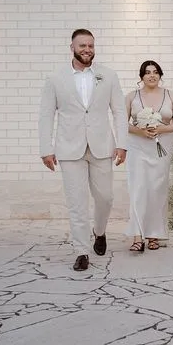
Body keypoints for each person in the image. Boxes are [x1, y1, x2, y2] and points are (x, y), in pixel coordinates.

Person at [38, 28, 128, 271]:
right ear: (72, 48)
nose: (87, 49)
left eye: (90, 45)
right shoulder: (55, 79)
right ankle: (81, 251)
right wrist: (46, 148)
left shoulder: (108, 75)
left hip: (102, 146)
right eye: (82, 46)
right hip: (69, 148)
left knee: (106, 198)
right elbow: (46, 114)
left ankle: (99, 231)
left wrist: (122, 144)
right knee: (76, 202)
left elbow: (119, 110)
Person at [124, 60, 173, 252]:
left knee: (157, 190)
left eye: (156, 72)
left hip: (162, 147)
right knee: (138, 189)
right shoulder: (131, 97)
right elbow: (121, 123)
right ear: (141, 76)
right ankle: (137, 236)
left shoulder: (170, 95)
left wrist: (162, 128)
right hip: (137, 147)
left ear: (160, 75)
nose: (152, 75)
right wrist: (140, 132)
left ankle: (154, 235)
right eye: (147, 72)